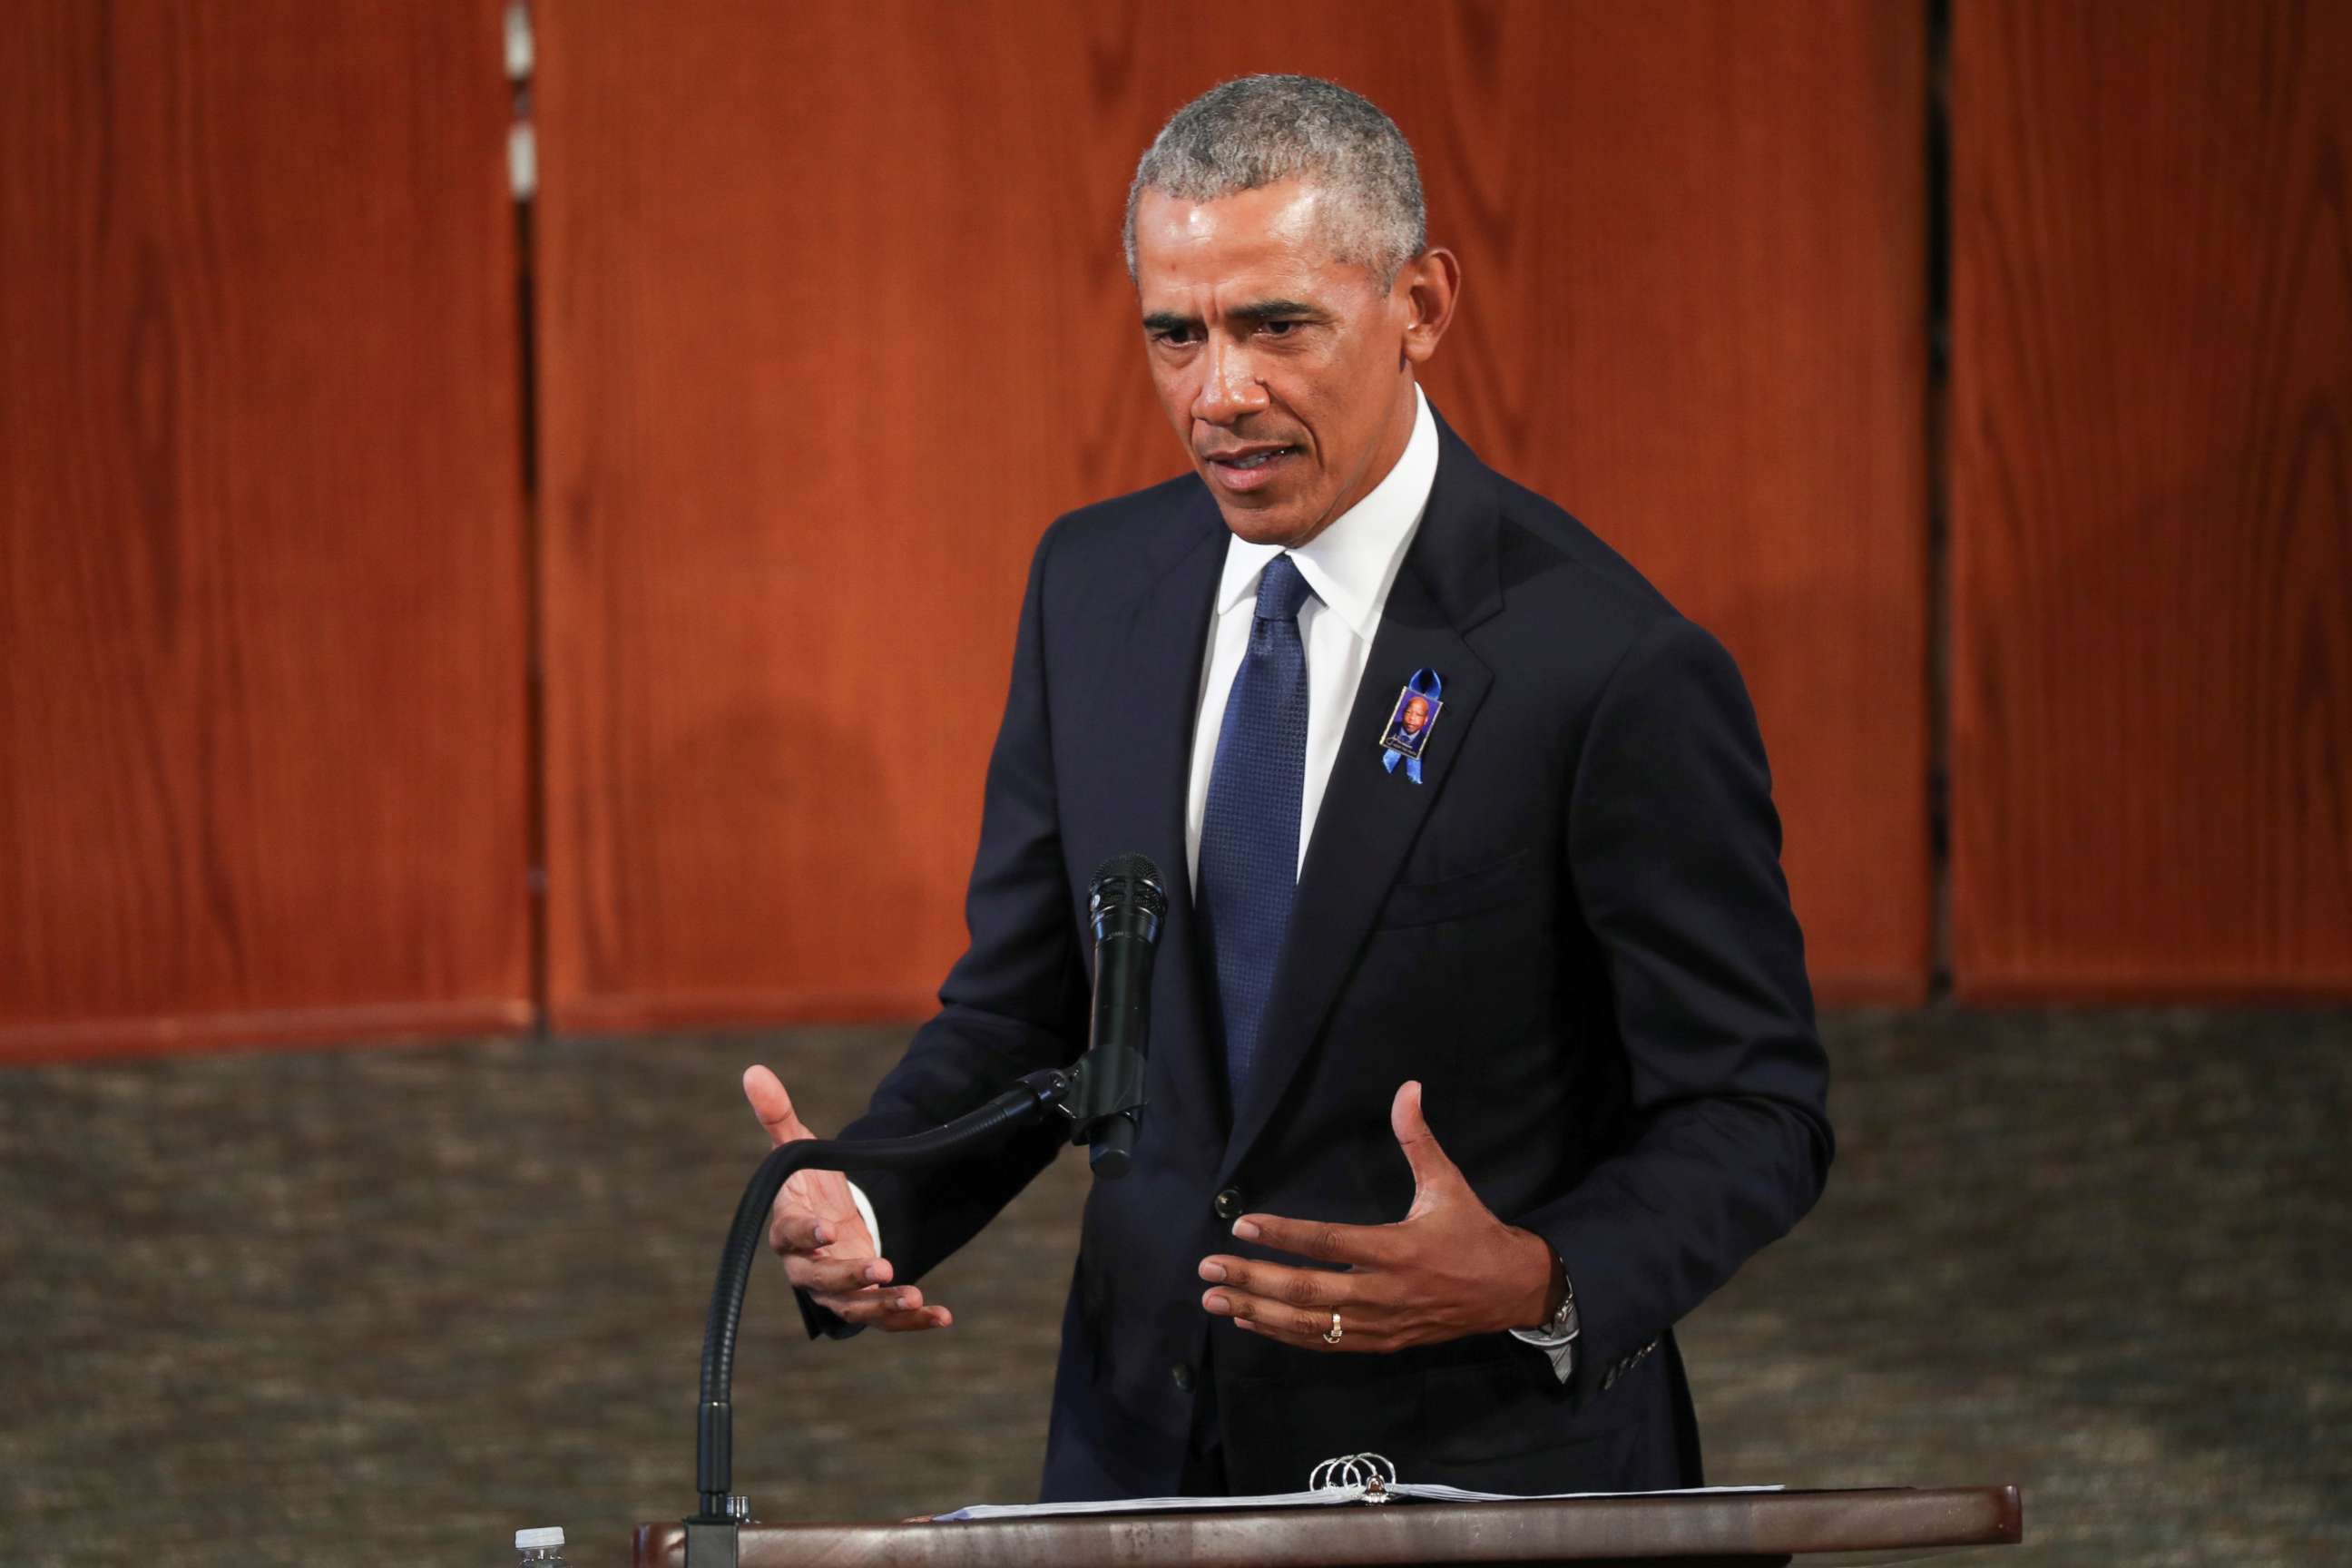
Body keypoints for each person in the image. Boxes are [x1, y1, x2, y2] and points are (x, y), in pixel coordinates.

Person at [741, 74, 1831, 1502]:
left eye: (1277, 327)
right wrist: (877, 1190)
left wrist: (1540, 1275)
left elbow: (1757, 1109)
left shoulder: (1608, 665)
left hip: (1481, 1465)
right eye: (1176, 335)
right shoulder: (1094, 588)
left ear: (1421, 305)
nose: (1218, 394)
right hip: (1142, 1453)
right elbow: (1039, 1009)